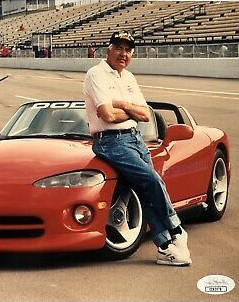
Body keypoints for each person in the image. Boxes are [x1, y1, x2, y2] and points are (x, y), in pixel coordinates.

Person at [83, 31, 192, 266]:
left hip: (135, 138)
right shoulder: (96, 74)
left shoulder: (129, 77)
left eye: (128, 50)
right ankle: (176, 228)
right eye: (119, 48)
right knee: (153, 181)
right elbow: (107, 115)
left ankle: (164, 248)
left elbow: (145, 114)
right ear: (108, 49)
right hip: (110, 142)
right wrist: (130, 109)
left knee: (145, 191)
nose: (124, 54)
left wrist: (122, 103)